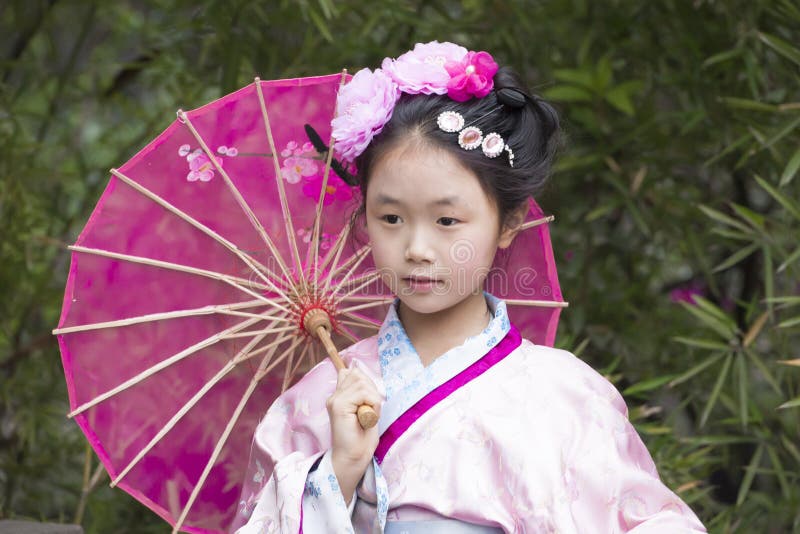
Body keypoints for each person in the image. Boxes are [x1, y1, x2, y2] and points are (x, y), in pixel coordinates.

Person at [231, 41, 706, 533]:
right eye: (390, 217)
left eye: (447, 220)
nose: (417, 247)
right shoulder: (323, 398)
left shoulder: (568, 397)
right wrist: (337, 475)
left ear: (508, 223)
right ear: (364, 216)